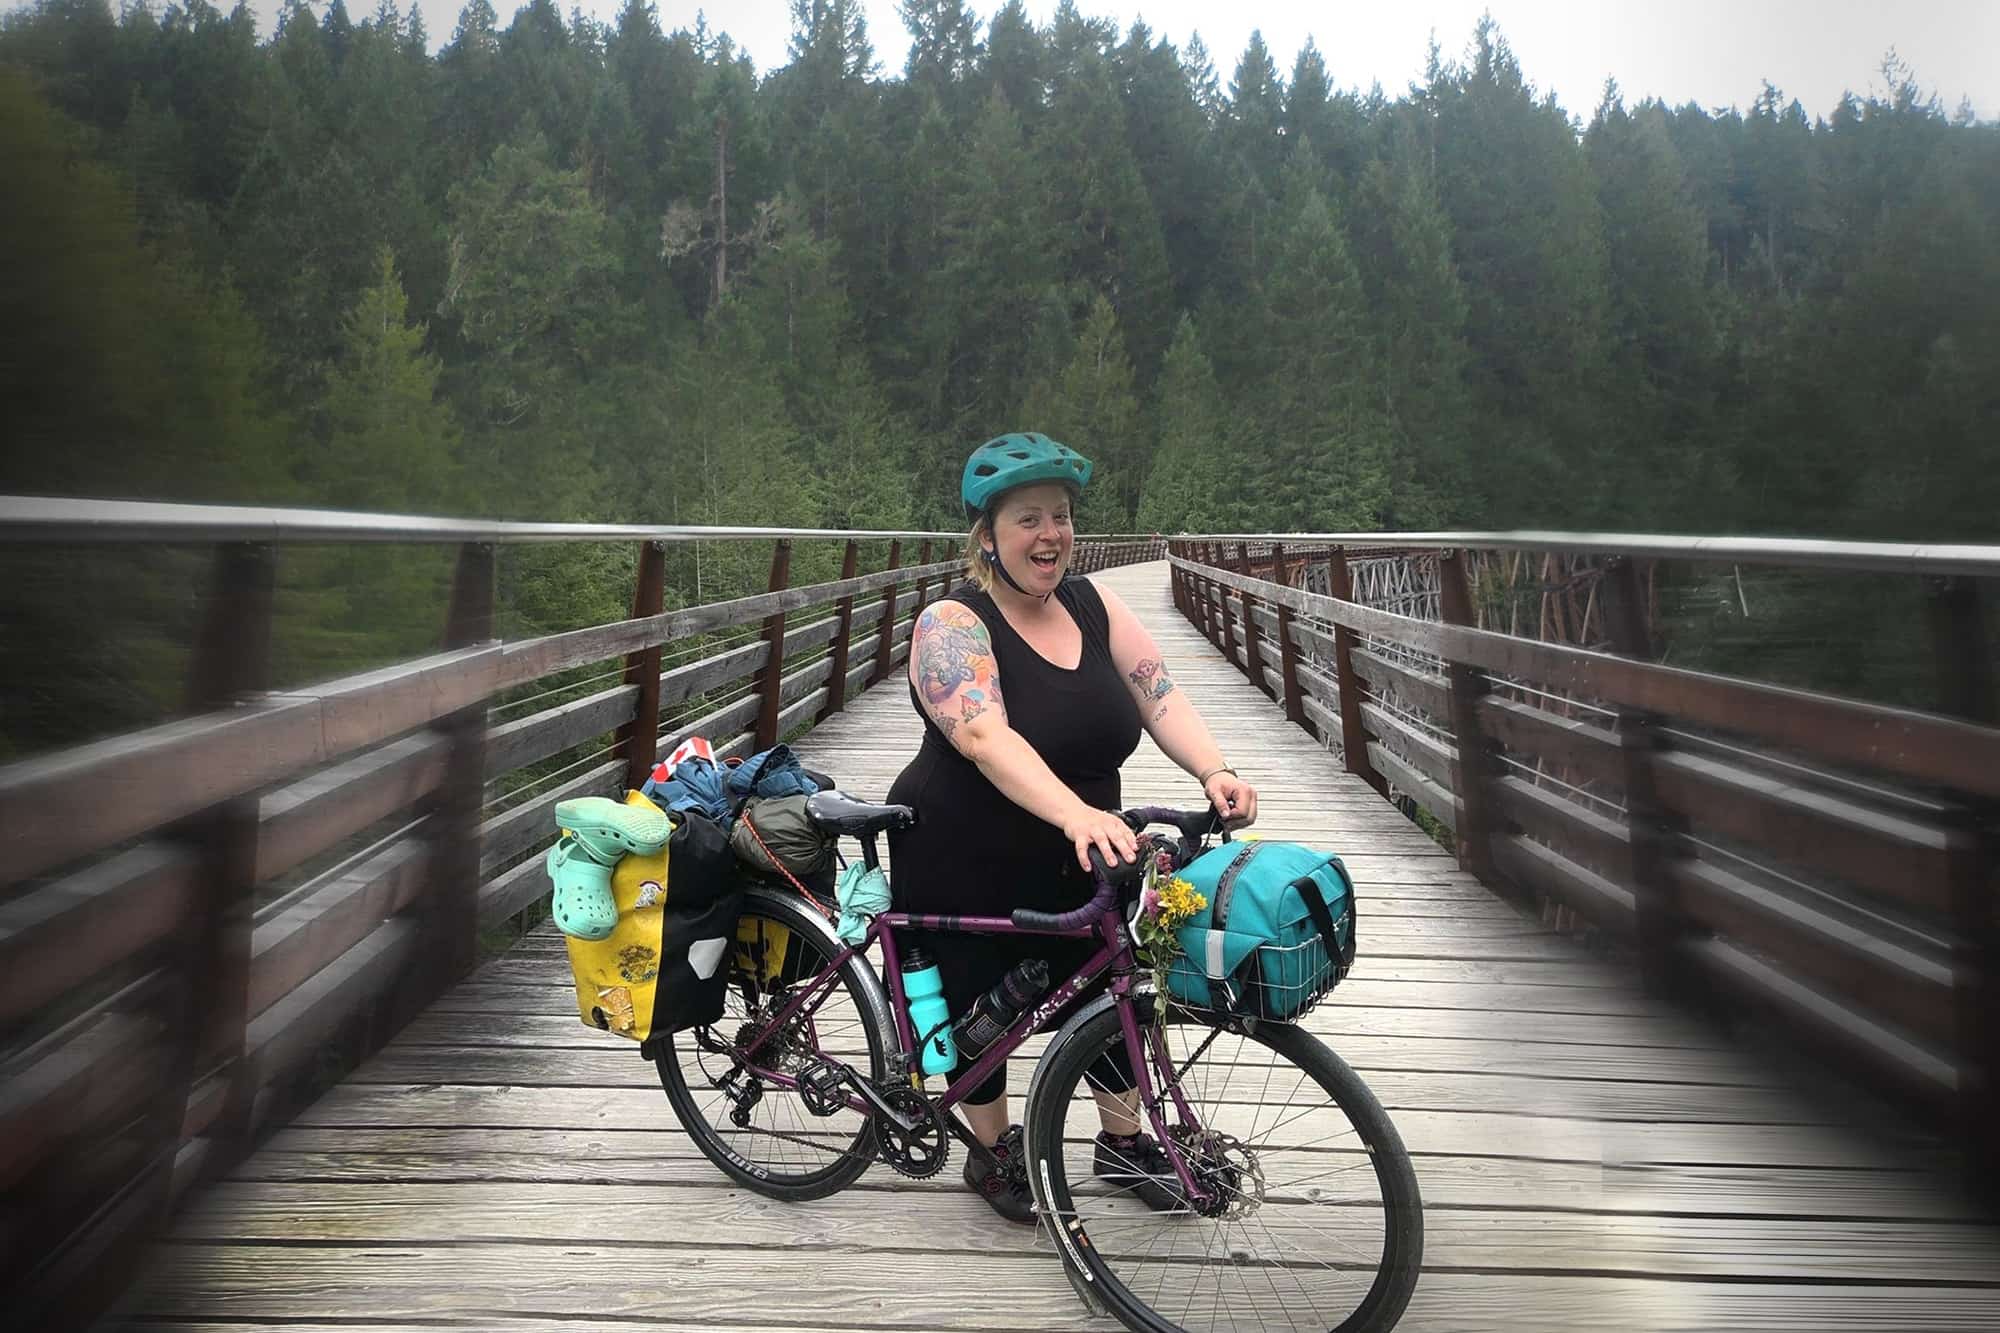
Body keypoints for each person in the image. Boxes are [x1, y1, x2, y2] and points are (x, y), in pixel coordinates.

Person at [885, 432, 1259, 1223]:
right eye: (1028, 518)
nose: (1050, 533)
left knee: (1103, 980)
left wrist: (1214, 769)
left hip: (1078, 847)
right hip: (965, 846)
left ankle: (1122, 1144)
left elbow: (1159, 693)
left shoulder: (1095, 604)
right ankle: (990, 1149)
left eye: (1060, 515)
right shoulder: (952, 624)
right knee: (975, 1000)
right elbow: (984, 734)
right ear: (988, 534)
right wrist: (1078, 813)